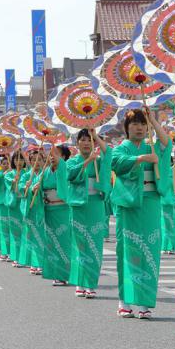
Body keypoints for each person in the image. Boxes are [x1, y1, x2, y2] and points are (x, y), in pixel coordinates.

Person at [111, 108, 172, 319]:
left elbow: (167, 143)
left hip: (151, 201)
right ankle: (124, 300)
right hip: (129, 204)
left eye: (142, 124)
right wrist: (141, 159)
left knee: (150, 249)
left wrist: (154, 121)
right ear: (127, 128)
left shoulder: (152, 145)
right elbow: (116, 163)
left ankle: (145, 303)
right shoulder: (123, 148)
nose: (139, 127)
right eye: (135, 124)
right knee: (127, 250)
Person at [57, 128, 111, 299]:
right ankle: (80, 282)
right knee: (80, 244)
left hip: (96, 204)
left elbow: (109, 153)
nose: (86, 143)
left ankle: (91, 283)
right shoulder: (72, 162)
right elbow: (70, 175)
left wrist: (96, 136)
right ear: (77, 143)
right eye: (83, 140)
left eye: (90, 140)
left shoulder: (100, 160)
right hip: (78, 205)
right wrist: (87, 162)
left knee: (95, 245)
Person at [40, 145, 72, 286]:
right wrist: (34, 186)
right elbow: (38, 186)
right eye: (51, 154)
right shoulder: (45, 171)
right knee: (51, 242)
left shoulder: (65, 169)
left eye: (56, 154)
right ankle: (54, 272)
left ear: (64, 157)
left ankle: (63, 274)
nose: (52, 157)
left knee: (63, 243)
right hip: (49, 210)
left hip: (62, 210)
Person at [4, 151, 28, 268]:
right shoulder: (9, 174)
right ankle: (15, 257)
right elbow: (10, 187)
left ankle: (25, 258)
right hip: (14, 205)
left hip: (24, 204)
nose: (19, 162)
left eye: (21, 159)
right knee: (15, 231)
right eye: (16, 159)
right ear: (13, 161)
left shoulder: (27, 173)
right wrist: (14, 181)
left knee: (25, 231)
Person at [0, 157, 11, 261]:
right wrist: (4, 174)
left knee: (12, 227)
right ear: (0, 164)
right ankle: (4, 251)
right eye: (4, 163)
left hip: (11, 202)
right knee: (2, 227)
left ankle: (11, 252)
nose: (6, 165)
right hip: (1, 202)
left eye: (7, 163)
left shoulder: (12, 173)